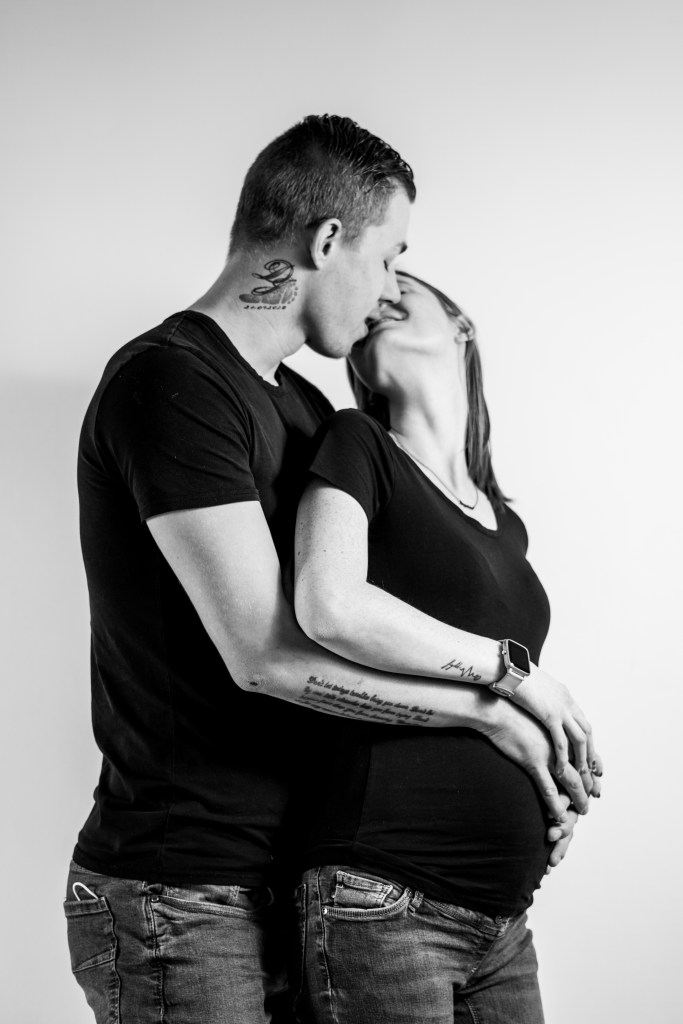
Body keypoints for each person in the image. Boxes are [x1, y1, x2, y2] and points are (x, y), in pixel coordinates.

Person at [64, 115, 595, 1024]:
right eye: (388, 258)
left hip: (291, 878)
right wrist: (495, 704)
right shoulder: (173, 382)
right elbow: (266, 655)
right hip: (182, 890)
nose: (389, 288)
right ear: (326, 240)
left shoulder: (305, 411)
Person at [292, 271, 602, 1024]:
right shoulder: (359, 444)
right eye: (371, 299)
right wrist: (516, 675)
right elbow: (330, 605)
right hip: (385, 898)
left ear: (461, 325)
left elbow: (483, 688)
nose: (381, 296)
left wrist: (548, 779)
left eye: (402, 283)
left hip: (502, 921)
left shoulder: (504, 523)